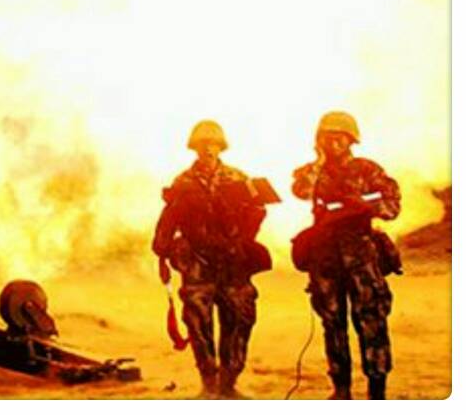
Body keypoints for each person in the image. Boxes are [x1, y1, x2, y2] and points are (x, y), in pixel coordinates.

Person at [152, 120, 277, 398]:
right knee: (198, 323)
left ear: (221, 147)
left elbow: (258, 212)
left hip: (233, 263)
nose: (208, 149)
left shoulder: (238, 178)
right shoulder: (183, 182)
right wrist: (164, 248)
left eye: (213, 144)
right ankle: (209, 384)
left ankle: (229, 384)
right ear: (194, 148)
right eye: (202, 145)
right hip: (198, 263)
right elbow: (169, 218)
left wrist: (244, 234)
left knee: (240, 319)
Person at [291, 111, 401, 400]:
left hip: (361, 258)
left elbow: (392, 206)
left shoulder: (367, 170)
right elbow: (300, 190)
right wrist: (318, 163)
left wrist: (366, 207)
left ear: (351, 140)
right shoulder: (314, 172)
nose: (333, 143)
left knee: (371, 322)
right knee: (332, 324)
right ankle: (341, 390)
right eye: (327, 138)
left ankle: (377, 392)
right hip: (325, 259)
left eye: (339, 137)